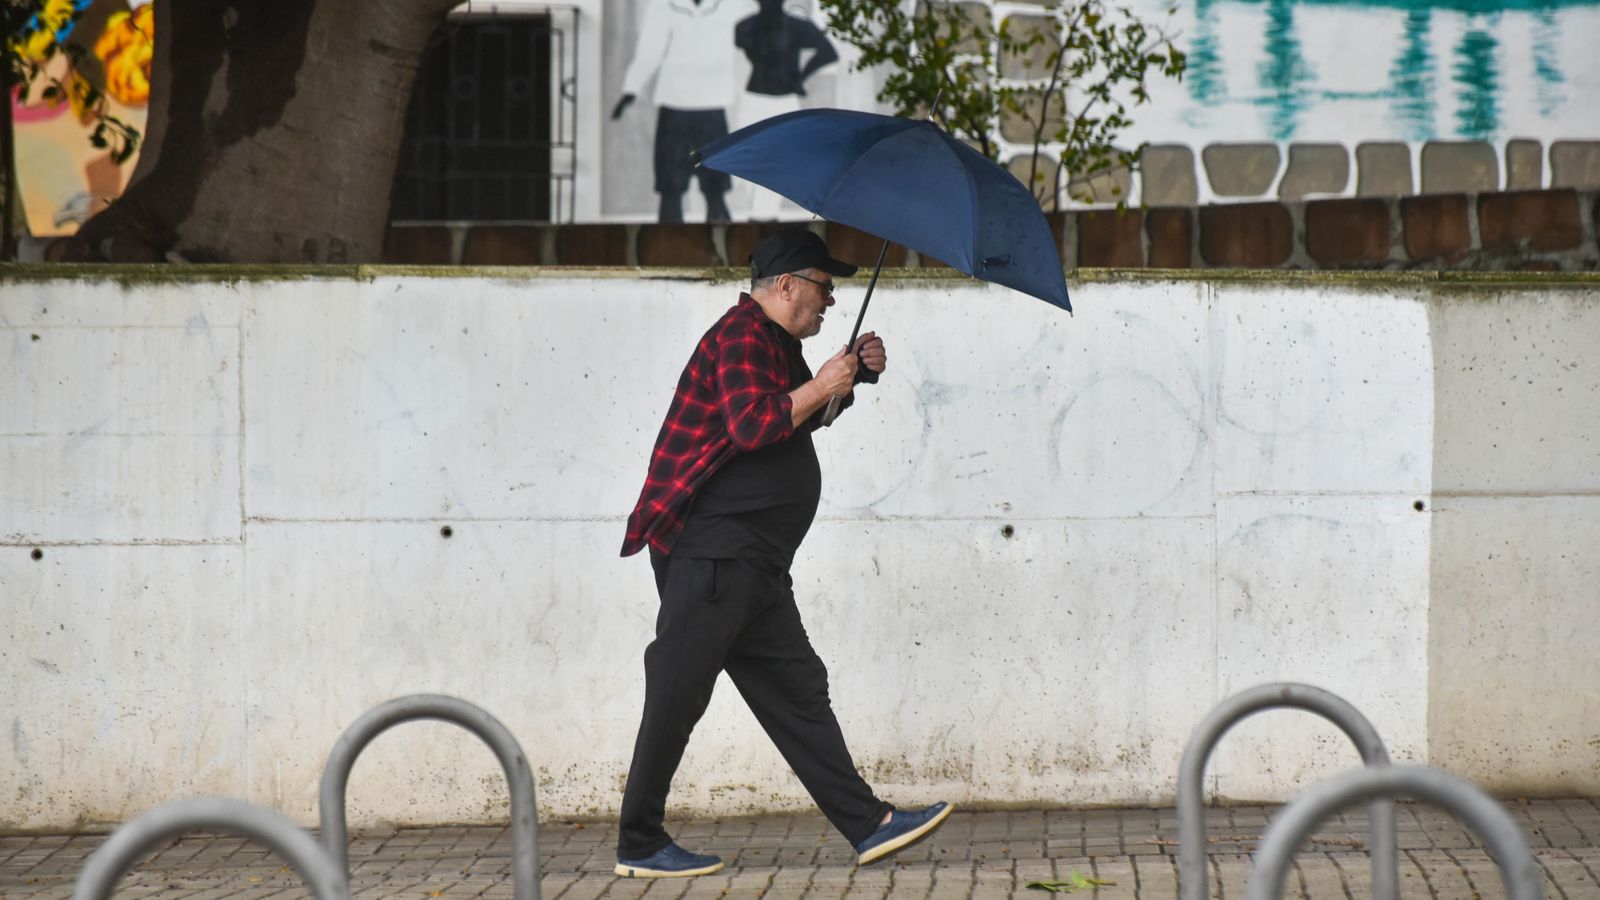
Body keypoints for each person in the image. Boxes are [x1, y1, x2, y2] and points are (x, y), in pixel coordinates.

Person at [614, 230, 953, 878]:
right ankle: (639, 841)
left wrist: (852, 376)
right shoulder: (741, 336)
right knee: (678, 693)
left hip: (752, 561)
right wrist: (823, 380)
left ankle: (870, 825)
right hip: (715, 554)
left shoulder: (774, 343)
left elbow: (800, 418)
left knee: (797, 691)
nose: (831, 300)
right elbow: (753, 424)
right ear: (788, 285)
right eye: (825, 287)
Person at [612, 0, 746, 223]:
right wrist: (631, 90)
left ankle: (721, 241)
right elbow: (649, 51)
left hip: (712, 104)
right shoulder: (663, 5)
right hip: (674, 105)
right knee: (670, 188)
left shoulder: (732, 4)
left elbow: (755, 31)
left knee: (715, 189)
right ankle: (668, 241)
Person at [733, 0, 841, 219]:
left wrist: (801, 77)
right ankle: (760, 215)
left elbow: (828, 52)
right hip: (756, 99)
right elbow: (827, 52)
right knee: (751, 160)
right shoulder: (746, 27)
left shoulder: (793, 27)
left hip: (780, 101)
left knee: (777, 160)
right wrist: (799, 78)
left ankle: (763, 215)